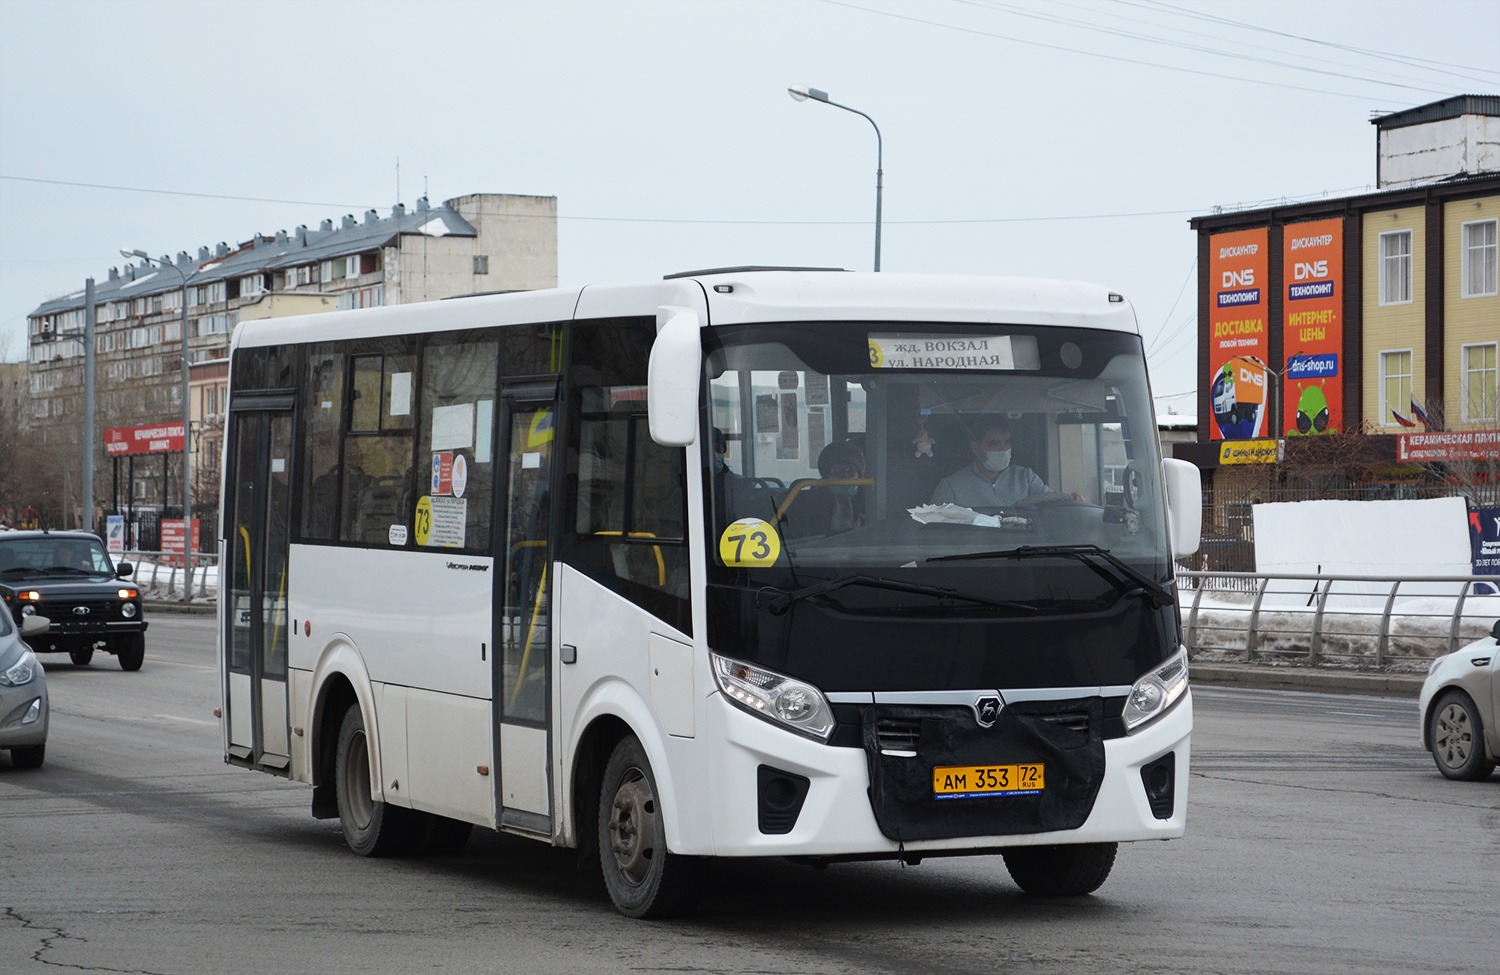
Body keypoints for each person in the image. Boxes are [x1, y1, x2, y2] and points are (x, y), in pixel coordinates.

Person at [930, 418, 1076, 508]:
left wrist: (1073, 502)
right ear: (975, 447)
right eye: (995, 443)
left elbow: (1052, 505)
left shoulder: (1026, 477)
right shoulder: (950, 487)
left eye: (1007, 442)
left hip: (1021, 553)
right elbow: (933, 529)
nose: (1003, 449)